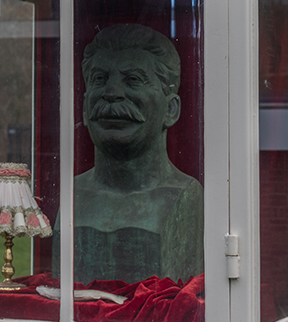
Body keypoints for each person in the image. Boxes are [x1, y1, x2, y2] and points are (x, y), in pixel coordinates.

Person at [54, 23, 203, 284]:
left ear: (171, 110)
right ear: (85, 110)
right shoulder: (72, 195)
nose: (112, 93)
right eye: (100, 79)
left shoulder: (185, 197)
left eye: (133, 79)